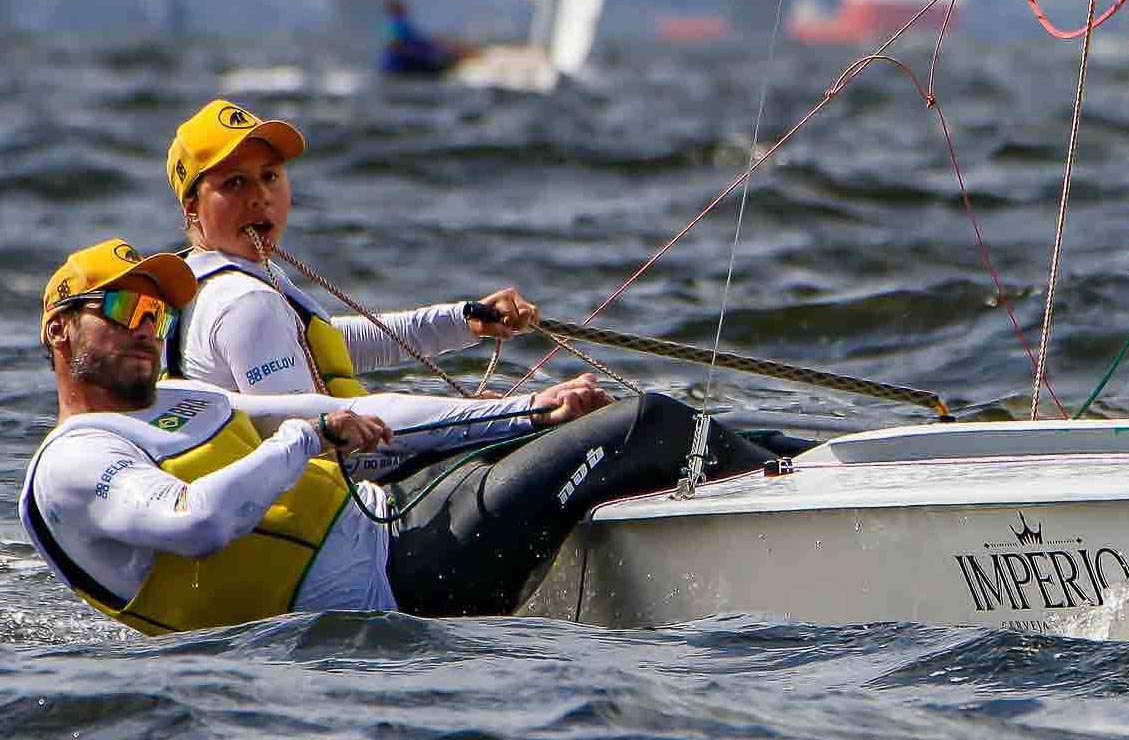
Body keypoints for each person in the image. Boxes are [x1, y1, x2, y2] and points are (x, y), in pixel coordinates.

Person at [21, 239, 778, 636]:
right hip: (397, 581)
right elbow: (197, 523)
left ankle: (791, 467)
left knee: (630, 426)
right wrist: (306, 439)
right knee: (650, 423)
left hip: (401, 512)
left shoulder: (181, 397)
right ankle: (791, 499)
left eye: (156, 316)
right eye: (122, 308)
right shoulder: (77, 462)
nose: (144, 329)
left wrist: (523, 414)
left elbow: (372, 414)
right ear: (60, 330)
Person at [165, 97, 535, 403]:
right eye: (234, 183)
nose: (260, 197)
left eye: (270, 176)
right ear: (192, 207)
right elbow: (318, 438)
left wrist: (463, 320)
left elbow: (323, 349)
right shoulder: (244, 302)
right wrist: (500, 415)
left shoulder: (202, 278)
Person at [380, 1, 471, 75]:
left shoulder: (398, 24)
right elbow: (400, 45)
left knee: (447, 50)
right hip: (402, 66)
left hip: (399, 65)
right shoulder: (398, 25)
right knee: (448, 58)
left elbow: (419, 41)